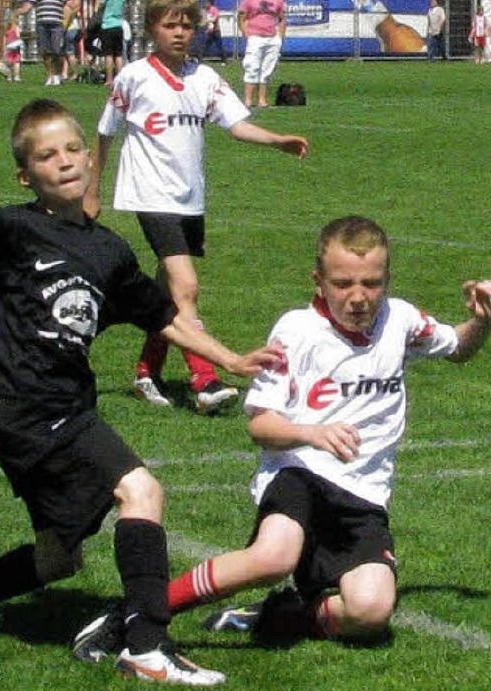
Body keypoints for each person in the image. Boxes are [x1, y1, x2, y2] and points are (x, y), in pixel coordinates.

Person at [0, 99, 280, 686]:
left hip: (65, 403)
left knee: (57, 557)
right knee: (141, 490)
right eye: (46, 156)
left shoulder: (109, 251)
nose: (64, 162)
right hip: (25, 402)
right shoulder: (14, 228)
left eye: (71, 150)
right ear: (25, 175)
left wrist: (232, 359)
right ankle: (146, 645)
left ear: (90, 160)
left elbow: (165, 315)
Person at [73, 216, 491, 662]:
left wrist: (483, 321)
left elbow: (459, 348)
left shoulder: (402, 320)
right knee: (273, 557)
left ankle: (285, 614)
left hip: (364, 494)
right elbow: (260, 426)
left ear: (387, 279)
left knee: (371, 612)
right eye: (343, 283)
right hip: (297, 472)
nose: (358, 297)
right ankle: (137, 612)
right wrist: (310, 433)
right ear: (318, 281)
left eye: (372, 284)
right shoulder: (296, 331)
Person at [84, 0, 308, 414]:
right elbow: (104, 134)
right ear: (153, 29)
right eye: (170, 25)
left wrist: (276, 140)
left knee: (167, 291)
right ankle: (204, 380)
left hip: (190, 198)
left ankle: (146, 373)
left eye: (187, 25)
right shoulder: (133, 78)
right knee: (186, 287)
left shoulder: (205, 78)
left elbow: (235, 124)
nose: (180, 32)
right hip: (150, 196)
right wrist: (92, 191)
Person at [238, 0, 285, 109]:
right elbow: (241, 17)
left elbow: (282, 19)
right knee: (251, 67)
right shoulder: (248, 1)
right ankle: (248, 100)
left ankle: (262, 100)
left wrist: (280, 37)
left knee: (267, 69)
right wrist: (246, 33)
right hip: (255, 37)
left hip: (273, 38)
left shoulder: (278, 1)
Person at [18, 0, 65, 85]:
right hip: (41, 24)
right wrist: (18, 11)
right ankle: (49, 75)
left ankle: (57, 75)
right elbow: (29, 5)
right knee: (44, 51)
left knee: (57, 51)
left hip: (57, 24)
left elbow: (66, 6)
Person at [98, 0, 127, 89]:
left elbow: (100, 4)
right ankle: (120, 79)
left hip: (107, 25)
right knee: (118, 54)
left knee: (108, 54)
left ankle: (109, 80)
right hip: (118, 25)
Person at [200, 0, 227, 64]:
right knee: (205, 46)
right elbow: (203, 21)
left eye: (206, 2)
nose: (205, 4)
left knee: (219, 46)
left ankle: (224, 60)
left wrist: (207, 21)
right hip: (209, 32)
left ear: (209, 3)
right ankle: (200, 59)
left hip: (216, 31)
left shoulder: (214, 9)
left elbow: (215, 19)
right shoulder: (205, 11)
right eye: (204, 3)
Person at [0, 12, 23, 82]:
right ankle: (16, 76)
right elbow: (18, 36)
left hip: (8, 48)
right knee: (16, 62)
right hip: (15, 48)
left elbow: (4, 39)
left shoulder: (7, 28)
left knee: (9, 63)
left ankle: (9, 77)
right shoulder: (16, 27)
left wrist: (4, 48)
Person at [61, 0, 81, 81]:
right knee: (66, 52)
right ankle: (64, 73)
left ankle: (74, 73)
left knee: (69, 53)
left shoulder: (69, 6)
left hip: (69, 28)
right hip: (73, 28)